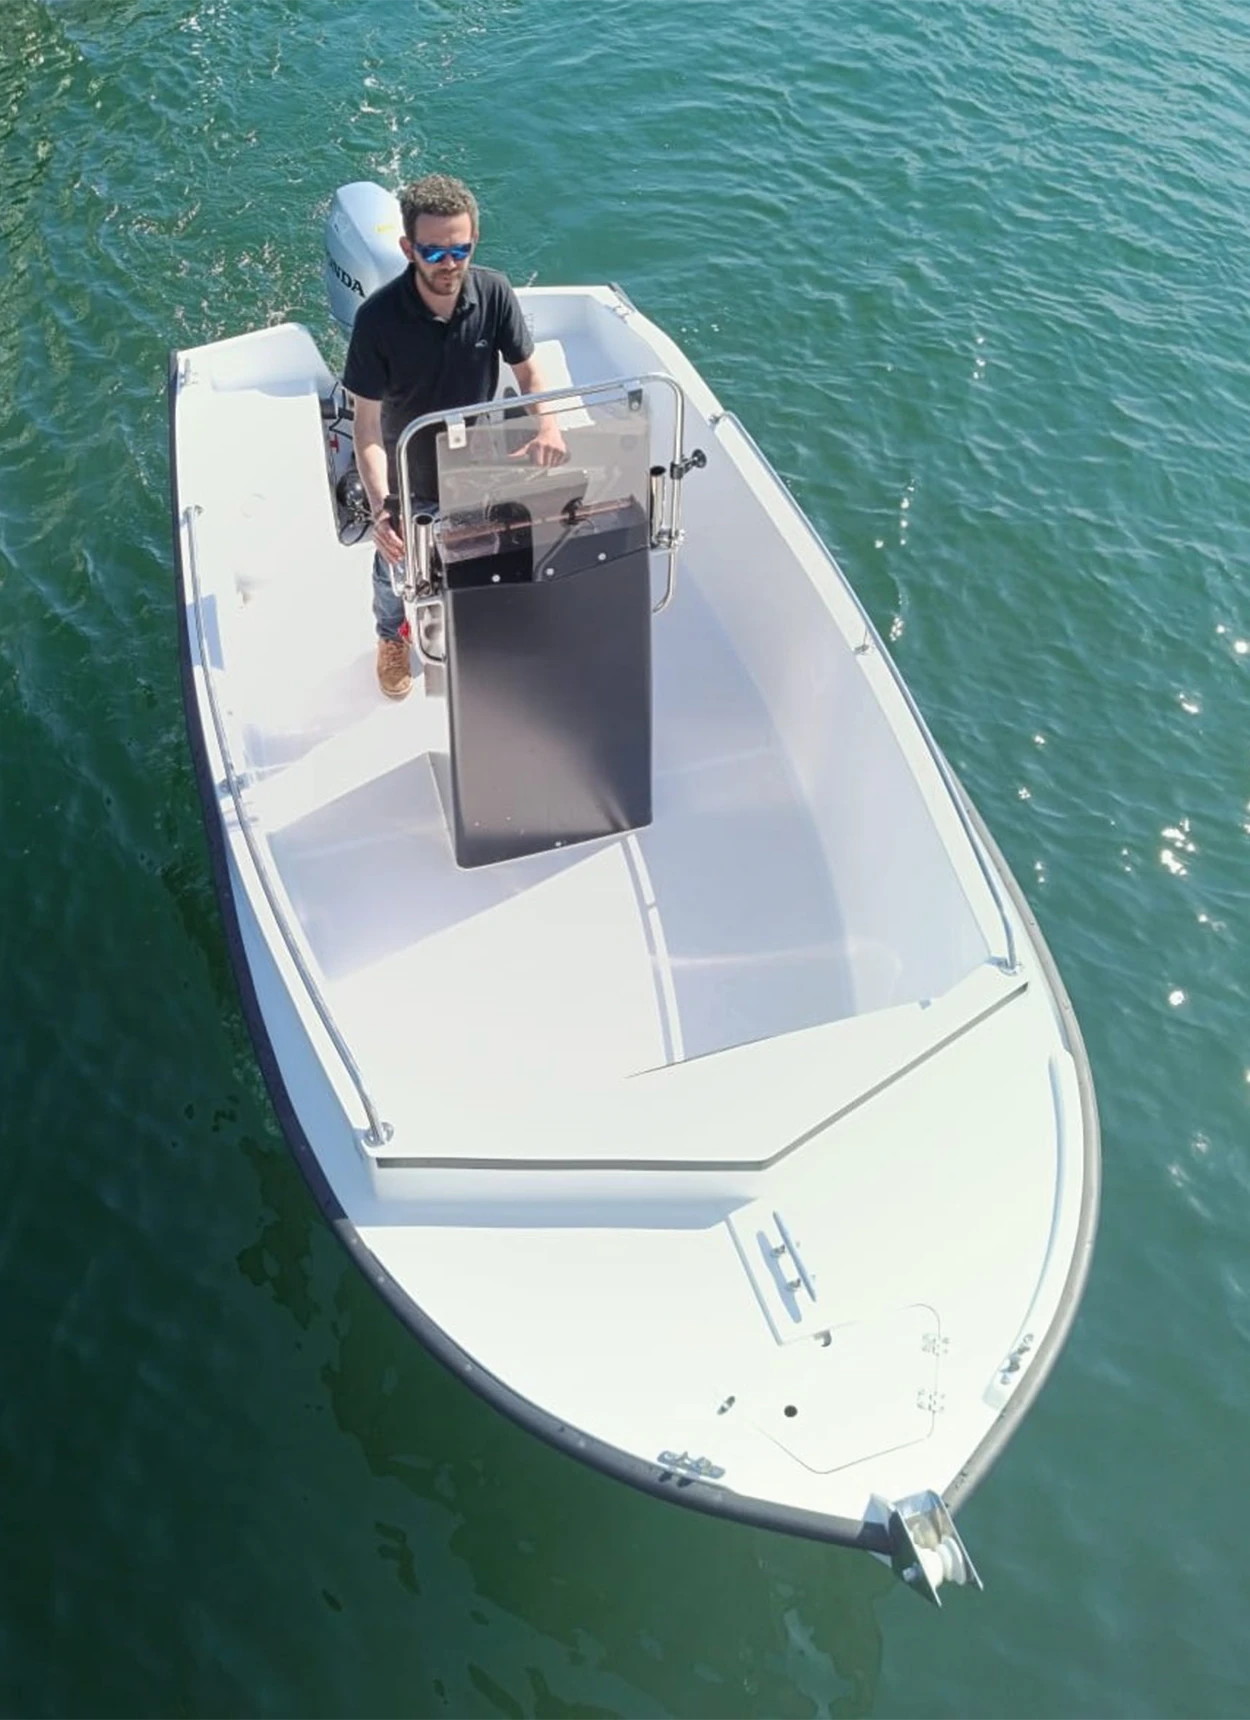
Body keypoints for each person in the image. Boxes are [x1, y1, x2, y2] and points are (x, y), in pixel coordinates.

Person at [343, 172, 566, 700]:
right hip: (409, 471)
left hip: (476, 460)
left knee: (490, 547)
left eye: (460, 249)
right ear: (407, 248)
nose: (450, 263)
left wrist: (549, 424)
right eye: (435, 252)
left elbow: (529, 374)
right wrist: (382, 508)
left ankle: (485, 627)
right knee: (393, 566)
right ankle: (390, 636)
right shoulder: (377, 321)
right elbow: (367, 428)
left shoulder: (493, 291)